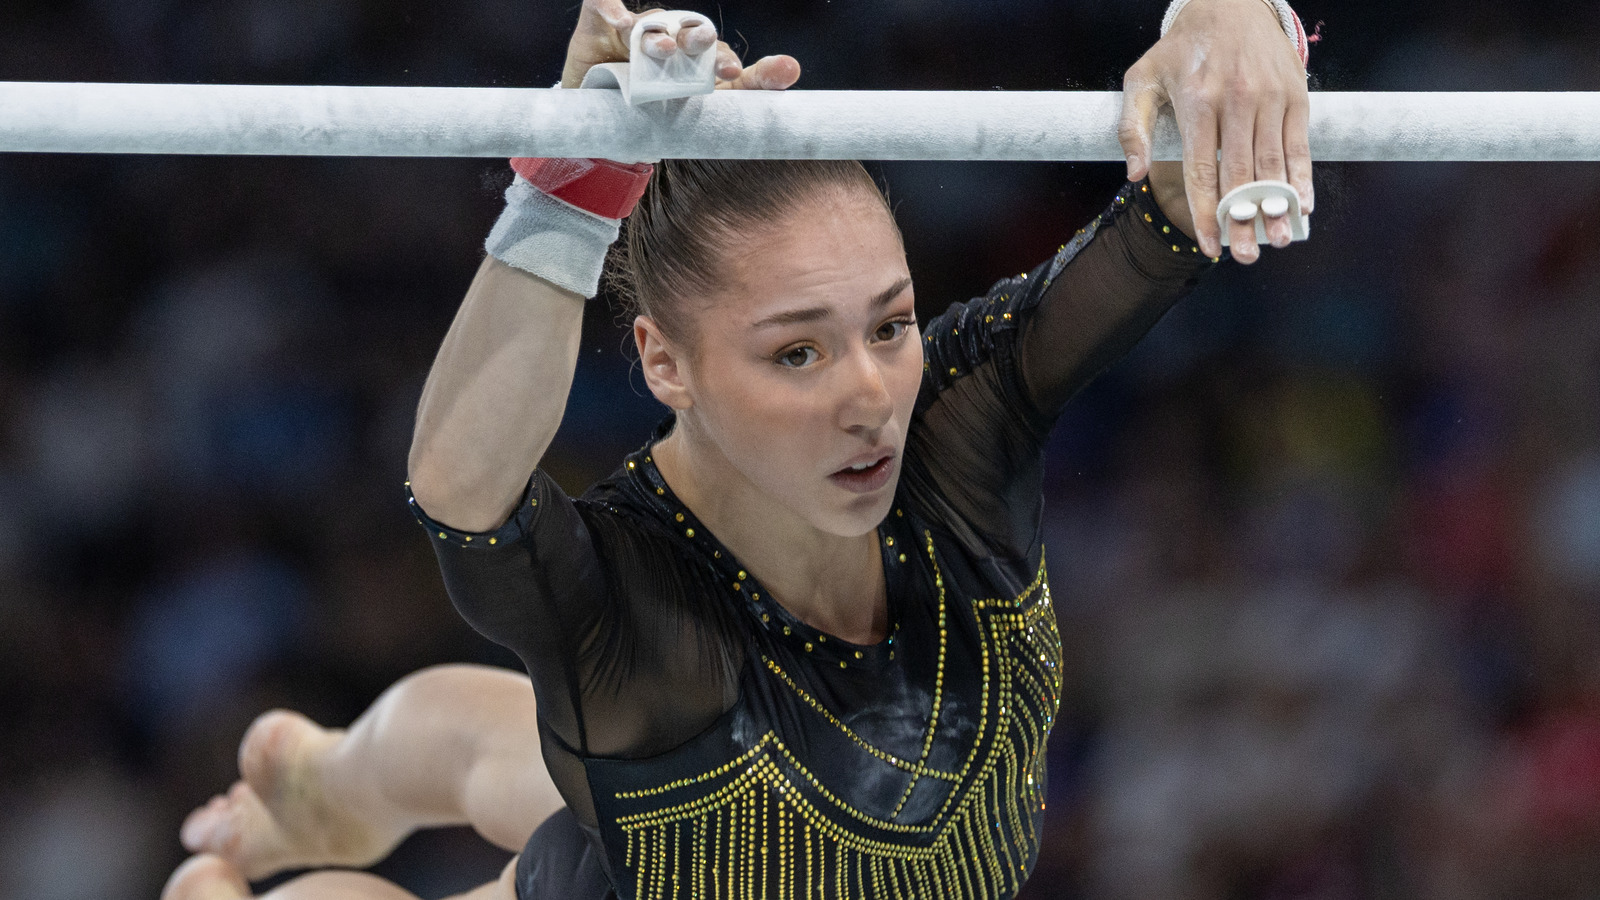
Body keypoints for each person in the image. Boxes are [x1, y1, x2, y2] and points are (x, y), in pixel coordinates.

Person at [165, 0, 1315, 897]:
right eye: (797, 356)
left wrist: (1230, 26)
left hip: (674, 802)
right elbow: (462, 491)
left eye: (890, 324)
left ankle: (325, 786)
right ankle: (326, 793)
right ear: (666, 364)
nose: (872, 395)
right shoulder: (626, 593)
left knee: (522, 755)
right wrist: (572, 190)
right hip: (635, 856)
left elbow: (1177, 199)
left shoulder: (961, 422)